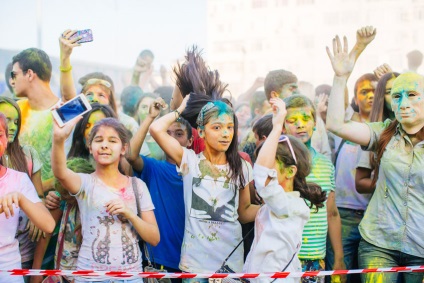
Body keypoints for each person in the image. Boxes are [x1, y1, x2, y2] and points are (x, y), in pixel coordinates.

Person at [326, 27, 424, 283]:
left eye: (412, 96)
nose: (403, 103)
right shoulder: (384, 133)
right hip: (379, 245)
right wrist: (341, 77)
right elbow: (336, 125)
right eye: (396, 96)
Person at [150, 93, 259, 278]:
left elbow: (244, 212)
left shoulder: (242, 167)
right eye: (217, 127)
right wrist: (180, 110)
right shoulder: (188, 161)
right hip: (194, 265)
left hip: (230, 265)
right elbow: (156, 129)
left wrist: (273, 208)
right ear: (201, 132)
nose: (225, 134)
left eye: (230, 127)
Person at [52, 116, 160, 282]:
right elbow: (60, 172)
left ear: (123, 148)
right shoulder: (85, 183)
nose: (104, 145)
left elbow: (154, 238)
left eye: (112, 141)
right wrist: (58, 140)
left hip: (130, 277)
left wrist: (129, 213)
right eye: (99, 140)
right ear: (90, 147)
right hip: (90, 277)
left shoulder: (137, 186)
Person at [243, 98, 326, 283]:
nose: (264, 166)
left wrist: (278, 124)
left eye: (272, 164)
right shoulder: (280, 203)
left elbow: (262, 174)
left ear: (290, 171)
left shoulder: (288, 205)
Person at [127, 97, 193, 283]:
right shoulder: (154, 168)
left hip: (194, 263)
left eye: (178, 134)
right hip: (160, 262)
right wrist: (150, 118)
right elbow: (131, 155)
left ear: (190, 140)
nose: (170, 138)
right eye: (166, 132)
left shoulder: (199, 170)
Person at [281, 94, 345, 283]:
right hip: (283, 257)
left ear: (315, 123)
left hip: (316, 258)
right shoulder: (278, 162)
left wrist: (339, 258)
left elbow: (332, 213)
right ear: (283, 126)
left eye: (306, 119)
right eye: (292, 121)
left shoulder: (326, 165)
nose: (300, 125)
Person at [0, 112, 55, 283]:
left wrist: (21, 199)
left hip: (8, 266)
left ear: (6, 139)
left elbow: (48, 225)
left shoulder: (18, 179)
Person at [59, 30, 139, 137]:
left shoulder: (127, 123)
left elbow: (136, 153)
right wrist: (65, 57)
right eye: (89, 95)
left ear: (110, 101)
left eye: (101, 95)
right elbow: (68, 97)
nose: (95, 99)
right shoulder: (75, 115)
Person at [11, 48, 60, 190]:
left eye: (14, 75)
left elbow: (70, 165)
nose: (12, 81)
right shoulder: (14, 111)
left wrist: (33, 191)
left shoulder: (63, 112)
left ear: (30, 74)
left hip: (52, 205)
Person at [264, 69, 332, 160]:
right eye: (292, 89)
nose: (297, 92)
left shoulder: (314, 119)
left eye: (305, 120)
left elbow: (326, 153)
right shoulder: (263, 125)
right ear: (275, 95)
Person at [355, 72, 399, 195]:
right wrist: (394, 186)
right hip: (385, 209)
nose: (396, 95)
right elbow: (360, 183)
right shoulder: (375, 132)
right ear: (381, 97)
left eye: (399, 89)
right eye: (389, 91)